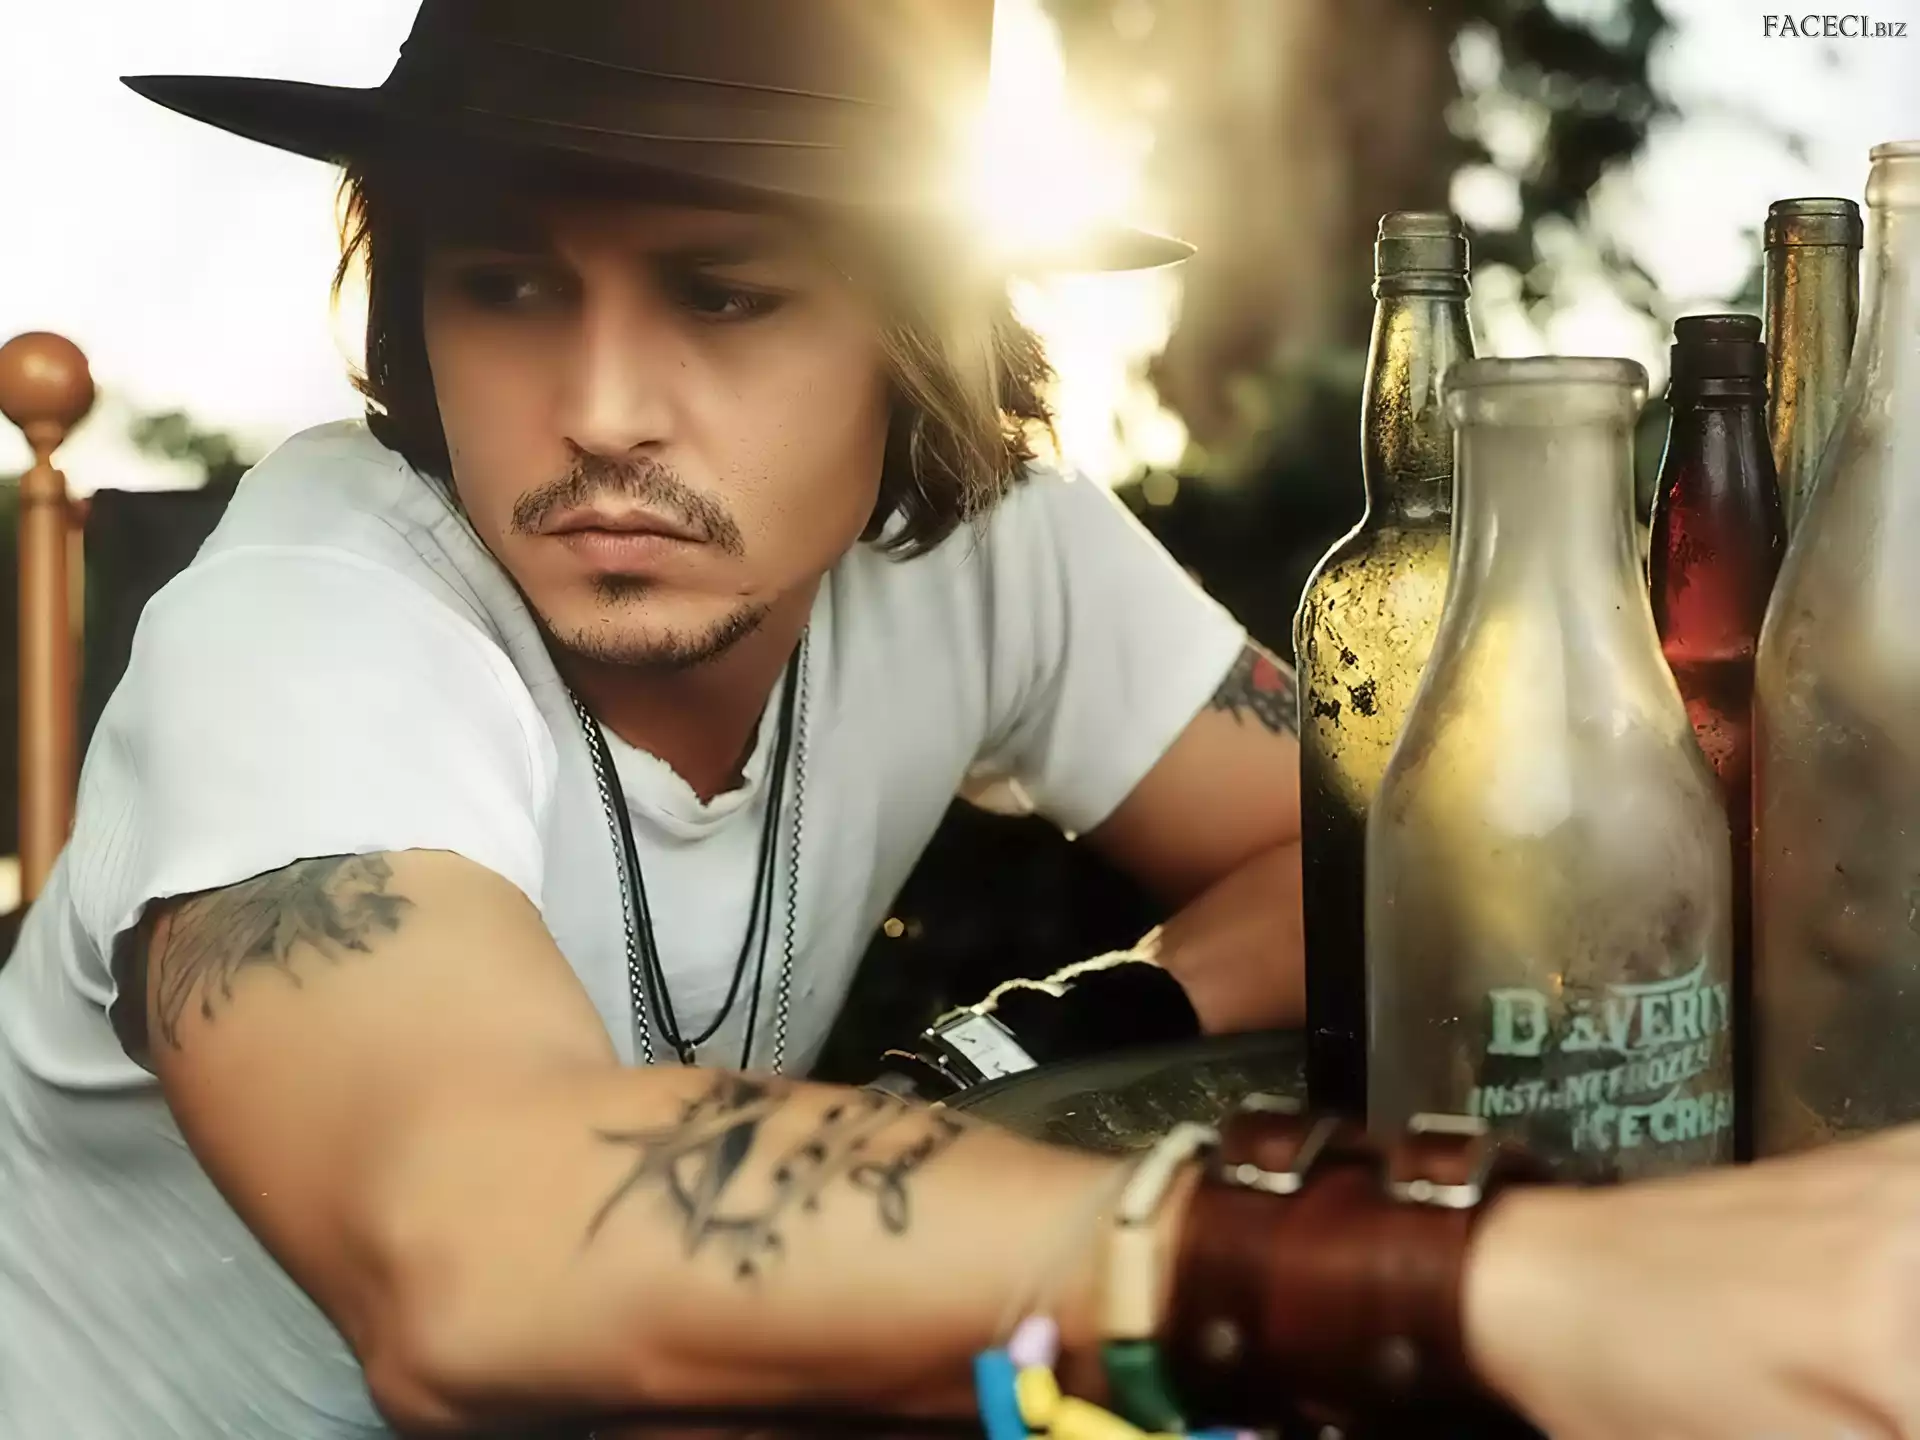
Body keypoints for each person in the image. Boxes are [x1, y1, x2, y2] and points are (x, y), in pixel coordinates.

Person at [1, 3, 1918, 1438]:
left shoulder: (983, 547)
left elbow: (1353, 848)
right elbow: (468, 1243)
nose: (600, 409)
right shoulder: (310, 616)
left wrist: (1052, 1031)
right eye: (504, 286)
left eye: (723, 297)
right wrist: (1487, 1271)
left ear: (918, 337)